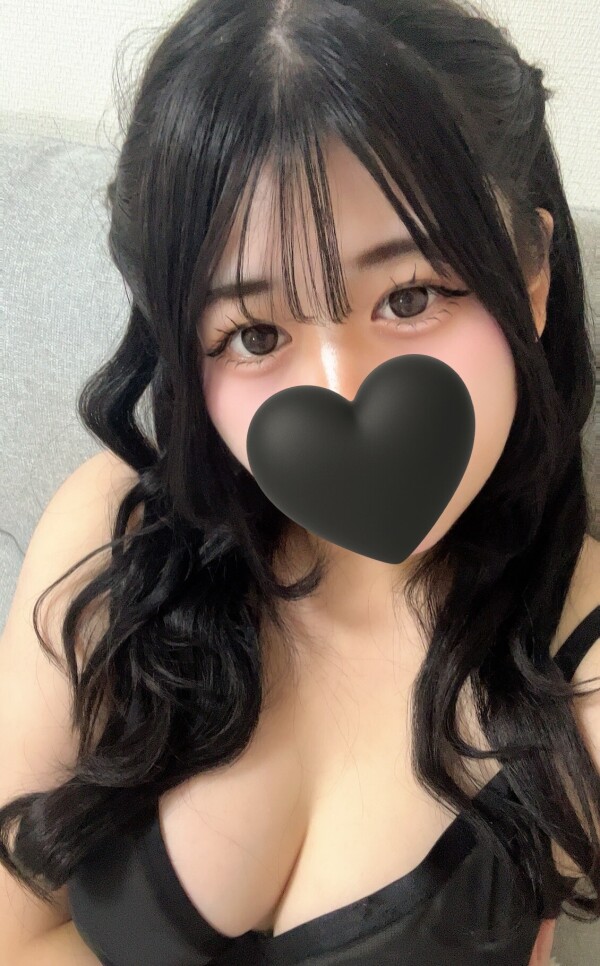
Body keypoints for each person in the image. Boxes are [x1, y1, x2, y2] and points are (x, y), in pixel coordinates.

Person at [1, 1, 599, 964]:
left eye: (409, 295)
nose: (341, 393)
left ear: (531, 282)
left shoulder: (579, 673)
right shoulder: (113, 533)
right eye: (255, 333)